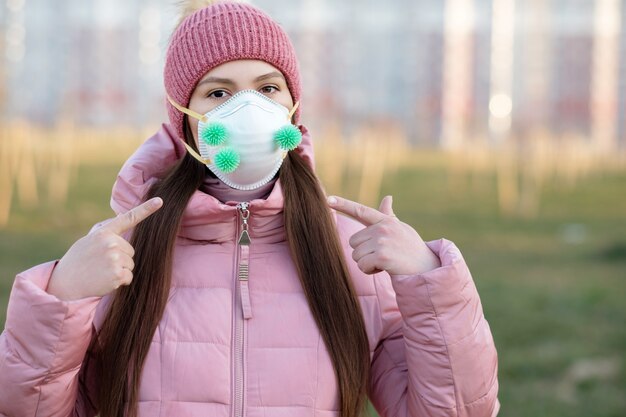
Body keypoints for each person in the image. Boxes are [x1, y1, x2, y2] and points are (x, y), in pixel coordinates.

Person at [0, 1, 500, 416]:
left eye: (267, 89)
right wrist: (60, 299)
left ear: (291, 107)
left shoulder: (350, 254)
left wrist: (427, 281)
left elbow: (455, 410)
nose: (248, 109)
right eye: (218, 92)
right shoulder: (118, 257)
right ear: (185, 120)